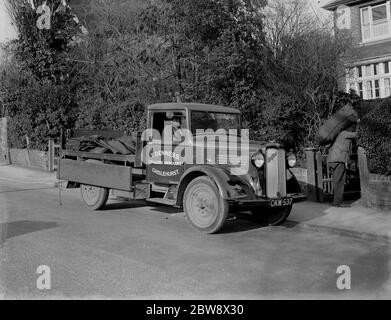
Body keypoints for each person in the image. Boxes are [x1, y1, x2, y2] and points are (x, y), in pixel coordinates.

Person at [327, 121, 359, 208]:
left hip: (333, 160)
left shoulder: (339, 135)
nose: (353, 129)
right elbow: (357, 134)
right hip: (338, 160)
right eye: (353, 127)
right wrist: (359, 124)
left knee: (337, 181)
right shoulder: (344, 133)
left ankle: (336, 201)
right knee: (340, 181)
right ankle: (338, 202)